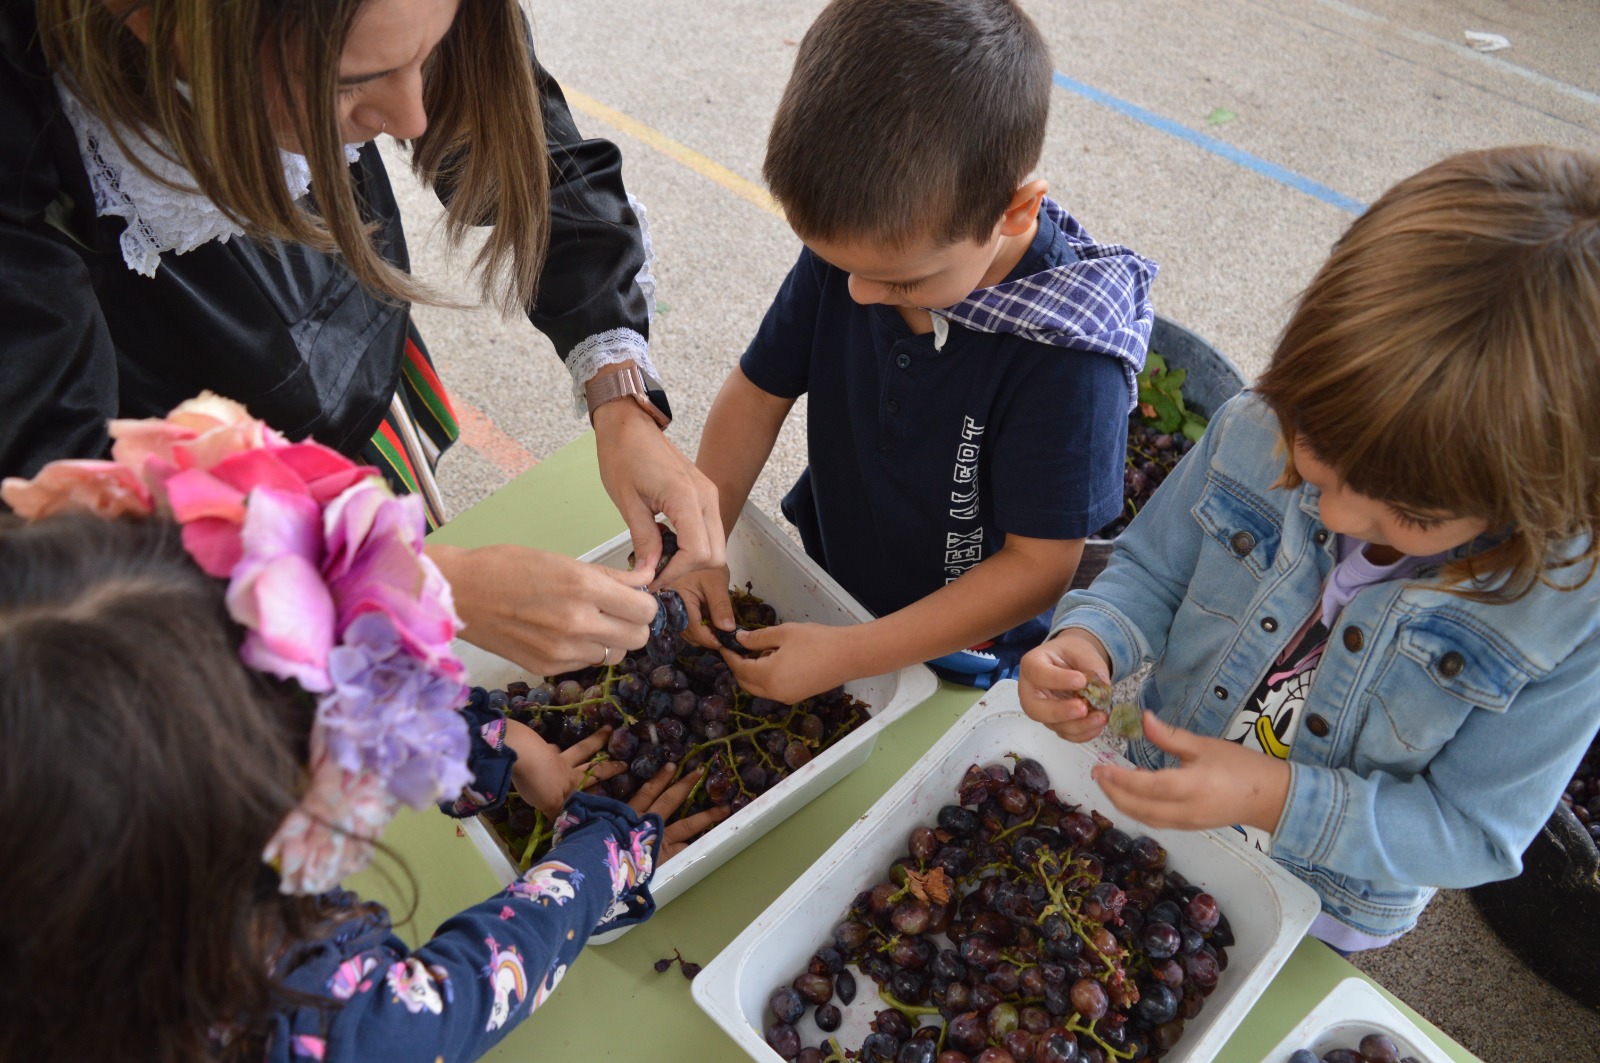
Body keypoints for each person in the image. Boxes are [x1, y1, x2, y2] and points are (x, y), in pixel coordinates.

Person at [0, 0, 722, 677]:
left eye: (430, 51)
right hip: (181, 525)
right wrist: (418, 581)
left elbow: (516, 132)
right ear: (166, 24)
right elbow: (58, 503)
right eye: (354, 84)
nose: (412, 118)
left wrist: (617, 383)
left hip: (344, 360)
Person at [0, 404, 724, 1061]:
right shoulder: (313, 1024)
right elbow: (472, 988)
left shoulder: (62, 828)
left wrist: (493, 744)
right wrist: (610, 854)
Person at [1018, 145, 1600, 952]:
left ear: (1535, 497)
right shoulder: (1256, 426)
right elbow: (1150, 567)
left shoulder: (1567, 611)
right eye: (1314, 451)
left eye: (1406, 511)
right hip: (1158, 798)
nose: (1338, 509)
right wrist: (1092, 638)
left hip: (1328, 902)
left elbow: (1474, 829)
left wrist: (1276, 796)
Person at [677, 0, 1155, 701]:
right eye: (843, 268)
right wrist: (703, 541)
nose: (864, 295)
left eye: (903, 280)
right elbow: (757, 392)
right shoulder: (864, 252)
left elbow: (1040, 567)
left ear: (1016, 211)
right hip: (835, 588)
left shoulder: (1070, 360)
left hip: (969, 648)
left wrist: (853, 653)